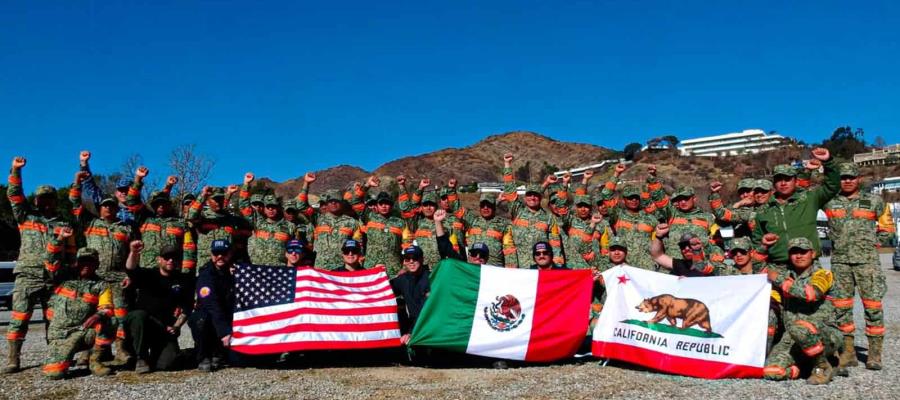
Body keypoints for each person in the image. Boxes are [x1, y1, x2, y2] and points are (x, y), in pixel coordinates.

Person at [4, 156, 76, 373]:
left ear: (55, 200)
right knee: (20, 318)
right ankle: (13, 358)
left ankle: (55, 355)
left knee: (55, 320)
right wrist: (16, 171)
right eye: (40, 198)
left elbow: (71, 253)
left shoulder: (64, 224)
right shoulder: (26, 217)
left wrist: (71, 273)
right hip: (28, 275)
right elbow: (14, 195)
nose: (44, 202)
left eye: (49, 198)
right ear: (35, 200)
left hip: (55, 277)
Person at [824, 162, 895, 370]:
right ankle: (848, 353)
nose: (847, 181)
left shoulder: (874, 200)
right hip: (840, 263)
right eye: (843, 177)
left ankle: (874, 355)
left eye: (851, 177)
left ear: (858, 179)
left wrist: (877, 241)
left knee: (873, 308)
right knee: (841, 309)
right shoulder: (830, 202)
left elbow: (888, 226)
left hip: (868, 263)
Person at [71, 170, 134, 366]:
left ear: (117, 208)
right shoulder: (89, 223)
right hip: (94, 278)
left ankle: (121, 350)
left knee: (120, 314)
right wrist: (77, 182)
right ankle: (89, 351)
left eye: (112, 206)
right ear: (100, 208)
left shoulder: (125, 228)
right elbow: (75, 203)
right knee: (91, 314)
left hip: (117, 277)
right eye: (105, 205)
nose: (108, 208)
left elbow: (133, 253)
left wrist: (129, 274)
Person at [763, 237, 846, 384]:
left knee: (800, 328)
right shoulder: (787, 274)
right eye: (794, 252)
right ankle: (805, 367)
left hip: (824, 334)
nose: (799, 256)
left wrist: (780, 281)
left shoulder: (823, 274)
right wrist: (763, 246)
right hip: (793, 338)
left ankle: (822, 366)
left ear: (812, 254)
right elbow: (759, 267)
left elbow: (811, 294)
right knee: (772, 372)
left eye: (803, 252)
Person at [751, 147, 839, 264]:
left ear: (795, 181)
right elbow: (758, 243)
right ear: (774, 183)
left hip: (809, 264)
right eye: (779, 179)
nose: (783, 183)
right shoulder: (763, 211)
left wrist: (828, 162)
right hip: (779, 267)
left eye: (787, 179)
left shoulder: (809, 198)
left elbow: (833, 186)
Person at [42, 241, 115, 380]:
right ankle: (63, 359)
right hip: (60, 334)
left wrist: (98, 315)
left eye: (91, 262)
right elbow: (50, 262)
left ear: (97, 265)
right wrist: (59, 240)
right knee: (54, 374)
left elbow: (107, 308)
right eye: (83, 261)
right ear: (77, 262)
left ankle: (94, 362)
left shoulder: (101, 285)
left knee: (111, 321)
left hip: (82, 332)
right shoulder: (62, 277)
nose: (87, 265)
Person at [124, 241, 194, 373]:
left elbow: (187, 308)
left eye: (175, 257)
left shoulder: (184, 280)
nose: (171, 260)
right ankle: (141, 357)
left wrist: (176, 326)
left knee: (168, 364)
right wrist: (133, 252)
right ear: (159, 260)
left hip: (164, 329)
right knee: (138, 316)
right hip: (144, 326)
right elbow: (130, 269)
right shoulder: (148, 275)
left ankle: (157, 355)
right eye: (167, 257)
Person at [500, 154, 564, 267]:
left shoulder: (549, 218)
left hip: (541, 270)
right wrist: (507, 164)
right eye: (529, 195)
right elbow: (510, 190)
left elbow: (555, 243)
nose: (532, 198)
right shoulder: (517, 211)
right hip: (520, 269)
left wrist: (558, 266)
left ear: (540, 198)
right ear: (525, 198)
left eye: (536, 195)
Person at [125, 167, 189, 272]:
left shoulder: (180, 223)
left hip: (173, 271)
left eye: (164, 204)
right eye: (158, 204)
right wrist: (138, 179)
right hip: (147, 271)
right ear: (153, 206)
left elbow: (188, 249)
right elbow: (132, 201)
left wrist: (186, 271)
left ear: (169, 205)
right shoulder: (145, 218)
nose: (161, 207)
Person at [296, 172, 363, 269]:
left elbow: (358, 246)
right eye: (330, 201)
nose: (333, 203)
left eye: (336, 201)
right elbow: (301, 206)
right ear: (326, 204)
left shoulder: (352, 222)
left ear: (341, 203)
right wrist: (306, 183)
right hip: (321, 269)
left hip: (342, 270)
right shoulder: (317, 218)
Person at [600, 164, 660, 270]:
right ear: (624, 200)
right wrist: (616, 173)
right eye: (630, 198)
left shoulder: (650, 218)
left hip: (648, 268)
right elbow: (606, 194)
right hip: (625, 268)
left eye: (636, 198)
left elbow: (661, 243)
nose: (633, 200)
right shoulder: (617, 215)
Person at [189, 239, 236, 372]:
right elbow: (212, 305)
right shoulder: (206, 275)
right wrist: (224, 332)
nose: (220, 257)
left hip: (227, 314)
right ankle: (203, 355)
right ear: (211, 255)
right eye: (216, 254)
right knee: (200, 320)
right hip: (209, 315)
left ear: (230, 254)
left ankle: (219, 353)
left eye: (224, 253)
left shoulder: (235, 271)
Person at [238, 173, 297, 265]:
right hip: (257, 269)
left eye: (273, 206)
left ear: (278, 208)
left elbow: (294, 250)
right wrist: (246, 184)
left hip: (279, 270)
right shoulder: (258, 222)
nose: (270, 209)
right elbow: (244, 206)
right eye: (268, 207)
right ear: (264, 209)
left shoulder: (290, 226)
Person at [186, 185, 248, 265]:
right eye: (215, 199)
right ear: (208, 201)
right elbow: (190, 216)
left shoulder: (230, 219)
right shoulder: (202, 217)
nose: (218, 202)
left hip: (227, 264)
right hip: (206, 263)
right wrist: (202, 196)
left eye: (220, 199)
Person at [78, 150, 138, 227]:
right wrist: (84, 164)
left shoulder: (139, 211)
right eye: (121, 190)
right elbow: (90, 187)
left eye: (127, 190)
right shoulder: (107, 205)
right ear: (116, 192)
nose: (124, 193)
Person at [390, 246, 430, 345]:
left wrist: (411, 332)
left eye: (415, 258)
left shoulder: (431, 279)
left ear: (422, 259)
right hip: (413, 325)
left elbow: (424, 312)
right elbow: (383, 290)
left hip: (429, 325)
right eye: (408, 259)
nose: (411, 261)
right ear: (404, 261)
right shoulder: (403, 279)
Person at [650, 224, 721, 277]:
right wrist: (658, 236)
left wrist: (689, 280)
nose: (686, 249)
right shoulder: (680, 264)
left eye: (691, 245)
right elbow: (657, 256)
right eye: (683, 246)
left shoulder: (712, 263)